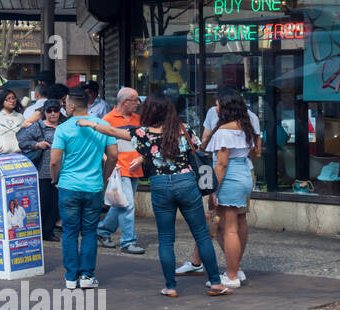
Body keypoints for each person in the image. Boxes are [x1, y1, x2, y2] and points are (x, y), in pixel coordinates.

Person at [81, 91, 231, 297]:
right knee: (201, 235)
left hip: (160, 185)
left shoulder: (143, 133)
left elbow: (114, 132)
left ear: (151, 110)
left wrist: (92, 125)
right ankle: (215, 283)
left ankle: (170, 287)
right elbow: (199, 152)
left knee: (166, 239)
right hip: (186, 182)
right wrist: (210, 191)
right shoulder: (184, 129)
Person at [49, 88, 119, 289]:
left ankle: (71, 277)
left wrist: (56, 179)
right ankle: (87, 276)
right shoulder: (104, 125)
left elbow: (54, 161)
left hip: (68, 186)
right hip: (93, 186)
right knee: (89, 231)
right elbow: (113, 156)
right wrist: (104, 176)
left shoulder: (63, 129)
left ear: (71, 105)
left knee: (70, 232)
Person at [204, 90, 261, 287]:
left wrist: (212, 189)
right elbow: (255, 152)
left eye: (218, 104)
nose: (216, 108)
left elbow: (221, 164)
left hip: (229, 179)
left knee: (228, 228)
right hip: (244, 174)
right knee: (233, 224)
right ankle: (235, 270)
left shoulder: (223, 132)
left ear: (226, 107)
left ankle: (232, 275)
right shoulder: (245, 127)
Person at [96, 87, 146, 255]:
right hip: (119, 169)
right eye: (136, 100)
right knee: (127, 204)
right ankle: (128, 242)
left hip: (134, 168)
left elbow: (144, 143)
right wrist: (109, 162)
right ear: (125, 102)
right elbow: (100, 145)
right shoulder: (108, 119)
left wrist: (141, 159)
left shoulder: (138, 119)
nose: (138, 103)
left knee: (121, 204)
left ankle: (102, 231)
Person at [18, 98, 63, 240]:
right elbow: (22, 141)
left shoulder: (63, 127)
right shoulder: (38, 126)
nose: (53, 114)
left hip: (62, 170)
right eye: (49, 111)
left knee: (57, 204)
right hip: (43, 171)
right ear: (45, 112)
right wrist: (38, 145)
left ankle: (49, 231)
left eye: (56, 110)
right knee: (44, 202)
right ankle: (41, 230)